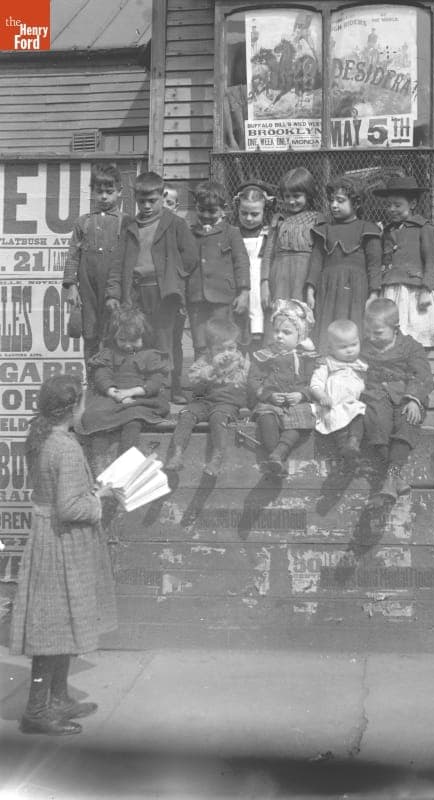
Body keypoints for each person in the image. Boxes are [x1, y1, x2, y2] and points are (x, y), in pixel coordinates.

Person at [9, 375, 117, 736]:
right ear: (73, 407)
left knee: (59, 622)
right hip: (61, 541)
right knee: (53, 626)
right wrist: (98, 499)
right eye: (83, 401)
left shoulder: (42, 437)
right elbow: (70, 508)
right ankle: (37, 712)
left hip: (47, 538)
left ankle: (58, 698)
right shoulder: (66, 447)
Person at [105, 171, 199, 401]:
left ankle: (170, 389)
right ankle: (144, 387)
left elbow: (191, 258)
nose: (146, 206)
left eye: (152, 201)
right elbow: (119, 261)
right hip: (136, 292)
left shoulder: (175, 223)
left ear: (162, 195)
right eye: (141, 201)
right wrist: (113, 293)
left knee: (166, 341)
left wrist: (173, 279)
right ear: (135, 198)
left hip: (164, 294)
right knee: (139, 339)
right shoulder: (130, 225)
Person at [360, 299, 434, 505]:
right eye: (369, 332)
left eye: (378, 333)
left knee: (407, 423)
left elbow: (423, 376)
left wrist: (414, 399)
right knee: (376, 424)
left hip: (405, 397)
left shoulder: (411, 347)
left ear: (395, 329)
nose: (372, 338)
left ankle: (391, 476)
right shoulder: (364, 348)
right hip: (377, 396)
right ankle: (395, 478)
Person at [76, 306, 170, 462]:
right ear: (114, 337)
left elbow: (155, 382)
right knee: (95, 415)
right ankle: (98, 460)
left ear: (143, 336)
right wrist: (113, 392)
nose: (127, 345)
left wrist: (131, 392)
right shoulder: (108, 354)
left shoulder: (151, 355)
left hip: (140, 398)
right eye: (122, 340)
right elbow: (102, 375)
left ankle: (126, 461)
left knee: (133, 419)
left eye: (133, 340)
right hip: (111, 397)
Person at [63, 163, 131, 375]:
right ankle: (92, 379)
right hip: (88, 288)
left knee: (114, 331)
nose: (103, 197)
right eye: (99, 191)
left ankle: (113, 379)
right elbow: (73, 255)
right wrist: (71, 286)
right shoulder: (83, 222)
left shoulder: (126, 222)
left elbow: (130, 258)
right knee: (90, 332)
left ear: (120, 192)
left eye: (109, 192)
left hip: (115, 288)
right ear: (92, 192)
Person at [306, 174, 383, 352]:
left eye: (340, 200)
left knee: (353, 325)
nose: (334, 205)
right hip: (328, 288)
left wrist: (373, 294)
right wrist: (310, 291)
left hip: (355, 288)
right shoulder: (324, 229)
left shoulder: (367, 229)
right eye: (332, 200)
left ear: (356, 203)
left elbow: (374, 264)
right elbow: (316, 261)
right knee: (326, 325)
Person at [165, 318, 249, 477]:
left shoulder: (241, 363)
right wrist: (212, 369)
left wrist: (235, 372)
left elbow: (247, 383)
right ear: (210, 349)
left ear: (236, 346)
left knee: (218, 418)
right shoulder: (204, 362)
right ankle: (177, 454)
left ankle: (217, 458)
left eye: (231, 348)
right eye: (220, 349)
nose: (226, 354)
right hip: (204, 401)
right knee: (186, 414)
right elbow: (194, 383)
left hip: (227, 403)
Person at [372, 175, 434, 347]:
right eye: (388, 205)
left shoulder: (424, 229)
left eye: (397, 205)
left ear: (412, 204)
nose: (391, 209)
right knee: (392, 335)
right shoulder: (387, 231)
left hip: (414, 291)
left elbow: (433, 260)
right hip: (391, 290)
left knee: (416, 332)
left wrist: (427, 288)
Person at [248, 299, 317, 476]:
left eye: (286, 332)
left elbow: (314, 381)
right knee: (266, 418)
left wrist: (302, 395)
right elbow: (254, 380)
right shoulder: (265, 356)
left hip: (296, 403)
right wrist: (268, 395)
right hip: (272, 402)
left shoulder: (306, 357)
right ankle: (275, 457)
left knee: (301, 423)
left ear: (300, 336)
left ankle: (280, 452)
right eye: (276, 331)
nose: (279, 336)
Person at [187, 181, 250, 359]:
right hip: (196, 298)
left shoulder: (232, 232)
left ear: (224, 209)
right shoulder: (189, 232)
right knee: (200, 343)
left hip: (223, 298)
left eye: (212, 211)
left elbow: (241, 262)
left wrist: (243, 292)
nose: (206, 215)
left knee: (223, 340)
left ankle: (224, 382)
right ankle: (201, 380)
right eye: (201, 209)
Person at [261, 167, 322, 314]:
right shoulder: (279, 219)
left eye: (296, 196)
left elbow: (318, 256)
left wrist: (311, 286)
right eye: (287, 196)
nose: (291, 201)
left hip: (304, 277)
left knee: (302, 316)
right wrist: (264, 283)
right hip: (279, 276)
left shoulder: (317, 219)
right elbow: (268, 254)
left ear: (308, 195)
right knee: (280, 317)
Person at [310, 319, 368, 466]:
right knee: (336, 419)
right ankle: (346, 451)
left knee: (359, 414)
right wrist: (322, 396)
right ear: (330, 348)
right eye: (343, 347)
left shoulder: (362, 365)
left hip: (355, 404)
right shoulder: (326, 364)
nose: (350, 350)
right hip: (334, 405)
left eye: (354, 344)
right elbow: (315, 384)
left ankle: (353, 442)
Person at [234, 179, 276, 351]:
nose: (249, 218)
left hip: (260, 280)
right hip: (241, 280)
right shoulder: (233, 233)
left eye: (254, 214)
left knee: (258, 316)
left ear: (264, 211)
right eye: (244, 213)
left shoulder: (268, 233)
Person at [161, 184, 189, 404]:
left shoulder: (179, 226)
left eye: (169, 202)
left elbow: (189, 260)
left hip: (174, 295)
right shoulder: (147, 226)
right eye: (161, 200)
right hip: (152, 296)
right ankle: (157, 387)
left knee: (175, 342)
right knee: (155, 341)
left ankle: (176, 386)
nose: (164, 206)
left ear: (176, 207)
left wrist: (179, 290)